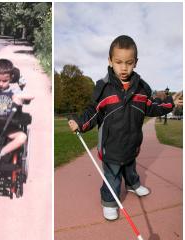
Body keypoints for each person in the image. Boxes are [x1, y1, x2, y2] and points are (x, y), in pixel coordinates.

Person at [68, 35, 183, 220]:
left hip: (132, 143)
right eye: (118, 62)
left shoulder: (141, 88)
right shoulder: (104, 88)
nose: (124, 67)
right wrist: (80, 123)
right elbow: (93, 112)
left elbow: (151, 106)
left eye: (129, 63)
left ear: (135, 62)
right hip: (110, 147)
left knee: (130, 167)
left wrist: (170, 103)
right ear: (110, 61)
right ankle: (109, 202)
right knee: (112, 177)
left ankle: (132, 185)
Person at [0, 59, 34, 182]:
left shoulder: (14, 91)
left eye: (5, 81)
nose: (1, 84)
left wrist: (18, 96)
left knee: (22, 137)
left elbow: (32, 96)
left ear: (11, 78)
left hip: (9, 127)